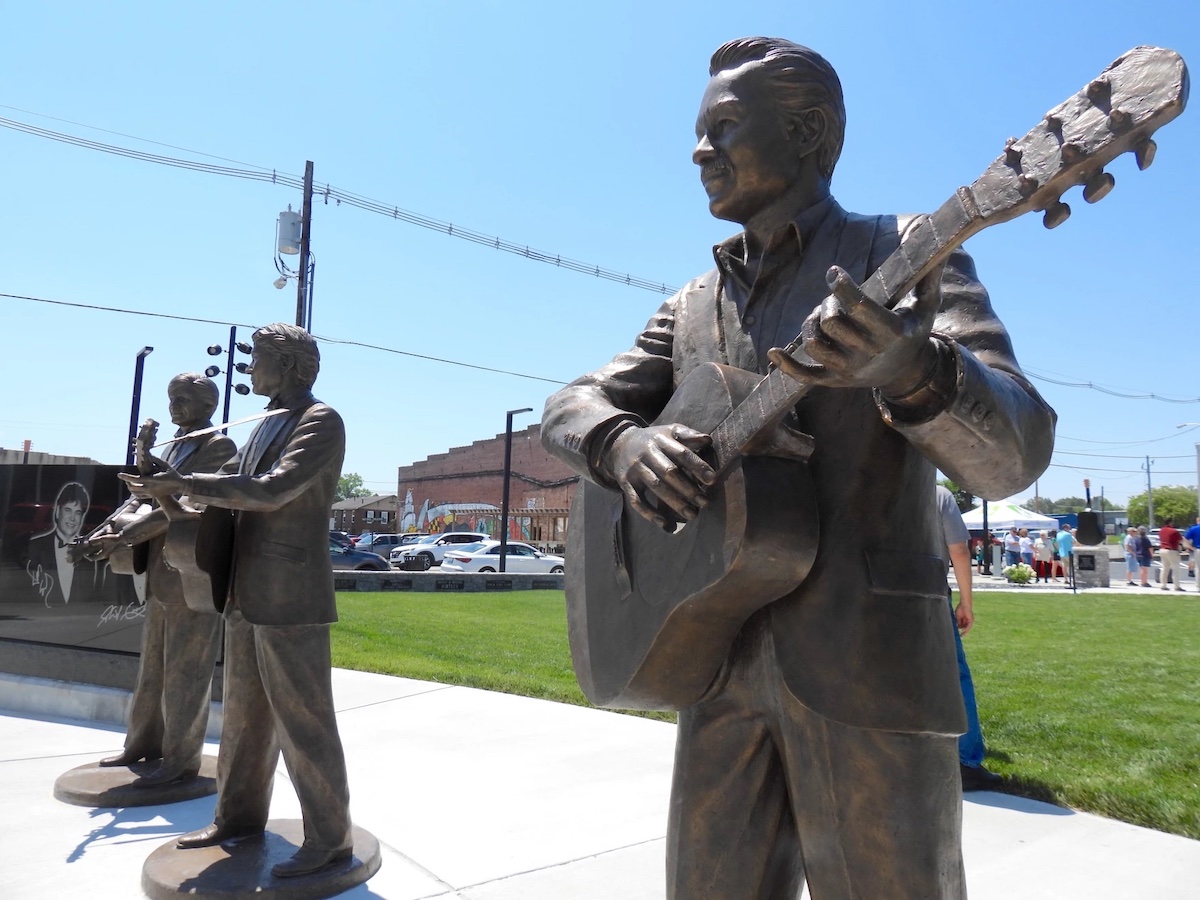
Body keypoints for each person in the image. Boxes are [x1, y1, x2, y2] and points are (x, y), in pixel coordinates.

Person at [542, 37, 1055, 899]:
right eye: (700, 132)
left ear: (810, 131)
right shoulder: (691, 306)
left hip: (869, 671)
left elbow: (1016, 453)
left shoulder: (909, 254)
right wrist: (624, 444)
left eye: (724, 127)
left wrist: (911, 369)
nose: (699, 151)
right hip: (712, 655)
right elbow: (571, 405)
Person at [122, 324, 354, 878]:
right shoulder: (264, 423)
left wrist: (187, 484)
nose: (248, 370)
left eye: (258, 360)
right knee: (244, 717)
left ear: (292, 367)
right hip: (244, 590)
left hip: (291, 595)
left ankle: (330, 839)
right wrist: (167, 481)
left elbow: (275, 489)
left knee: (304, 722)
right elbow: (223, 488)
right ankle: (237, 818)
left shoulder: (319, 421)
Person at [81, 374, 236, 785]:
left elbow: (182, 504)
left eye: (183, 398)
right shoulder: (174, 445)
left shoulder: (218, 447)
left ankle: (181, 760)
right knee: (152, 668)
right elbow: (140, 496)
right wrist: (107, 529)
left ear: (208, 405)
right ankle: (141, 744)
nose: (174, 405)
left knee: (187, 672)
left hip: (192, 575)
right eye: (171, 398)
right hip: (160, 575)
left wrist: (127, 534)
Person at [936, 486, 1002, 791]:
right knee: (954, 677)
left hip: (871, 598)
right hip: (926, 596)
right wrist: (967, 602)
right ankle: (966, 762)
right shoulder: (937, 495)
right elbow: (959, 550)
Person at [24, 482, 104, 606]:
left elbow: (92, 593)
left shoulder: (90, 548)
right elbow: (31, 587)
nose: (72, 518)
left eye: (78, 513)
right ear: (57, 512)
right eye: (68, 510)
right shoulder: (37, 545)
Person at [1158, 517, 1186, 592]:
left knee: (1164, 568)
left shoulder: (1161, 530)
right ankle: (1176, 586)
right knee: (1175, 568)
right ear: (1170, 522)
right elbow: (1181, 540)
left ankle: (1163, 585)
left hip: (1162, 549)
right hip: (1171, 550)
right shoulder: (1174, 531)